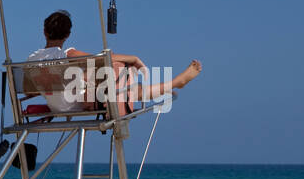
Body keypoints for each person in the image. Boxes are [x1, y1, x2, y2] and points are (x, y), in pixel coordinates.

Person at [28, 10, 201, 114]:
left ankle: (176, 82)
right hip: (76, 104)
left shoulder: (32, 59)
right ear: (67, 35)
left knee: (94, 75)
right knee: (131, 90)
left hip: (56, 106)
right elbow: (102, 59)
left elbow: (33, 90)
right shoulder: (67, 54)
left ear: (44, 32)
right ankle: (177, 82)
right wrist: (133, 59)